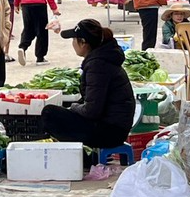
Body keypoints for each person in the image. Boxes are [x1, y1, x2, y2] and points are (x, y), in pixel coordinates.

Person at [42, 21, 137, 152]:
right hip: (113, 126)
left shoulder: (98, 65)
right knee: (62, 112)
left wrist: (74, 107)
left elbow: (92, 110)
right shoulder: (102, 59)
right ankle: (83, 156)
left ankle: (84, 157)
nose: (73, 43)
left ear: (83, 42)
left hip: (111, 132)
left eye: (74, 39)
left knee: (49, 113)